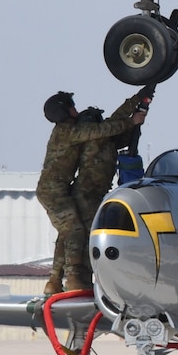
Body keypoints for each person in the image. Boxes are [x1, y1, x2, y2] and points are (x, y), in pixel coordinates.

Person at [36, 88, 153, 295]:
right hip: (55, 191)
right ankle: (72, 278)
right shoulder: (69, 132)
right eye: (72, 106)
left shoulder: (71, 131)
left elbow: (112, 124)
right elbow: (106, 129)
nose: (76, 109)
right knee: (75, 232)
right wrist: (131, 121)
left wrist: (139, 98)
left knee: (68, 233)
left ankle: (55, 281)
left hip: (60, 190)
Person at [69, 92, 151, 288]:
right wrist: (133, 120)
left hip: (98, 194)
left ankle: (87, 280)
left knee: (92, 235)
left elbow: (117, 125)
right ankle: (82, 281)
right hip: (86, 194)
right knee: (89, 237)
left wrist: (139, 105)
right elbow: (114, 124)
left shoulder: (106, 140)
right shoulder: (92, 137)